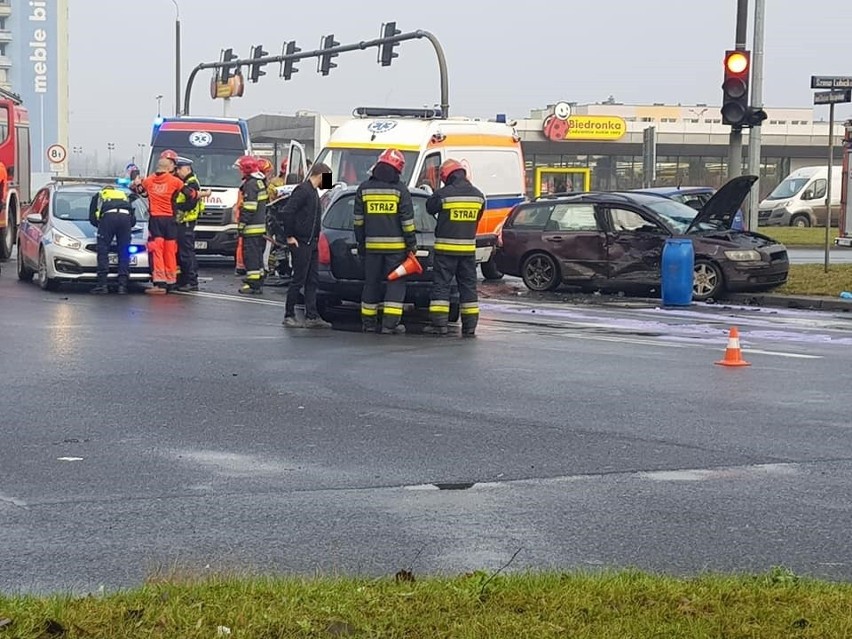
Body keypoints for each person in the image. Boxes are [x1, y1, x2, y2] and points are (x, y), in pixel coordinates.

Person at [354, 149, 417, 335]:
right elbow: (407, 222)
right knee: (395, 285)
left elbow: (358, 221)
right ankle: (390, 325)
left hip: (371, 248)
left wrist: (361, 244)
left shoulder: (364, 188)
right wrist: (411, 245)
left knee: (371, 284)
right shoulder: (400, 190)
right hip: (396, 250)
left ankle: (368, 323)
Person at [424, 159, 486, 337]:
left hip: (445, 251)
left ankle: (439, 325)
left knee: (441, 287)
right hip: (467, 252)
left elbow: (429, 208)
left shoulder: (443, 194)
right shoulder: (478, 195)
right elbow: (478, 217)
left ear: (446, 176)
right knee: (468, 288)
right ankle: (469, 327)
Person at [279, 162, 333, 328]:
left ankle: (312, 315)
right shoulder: (303, 190)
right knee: (299, 279)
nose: (328, 183)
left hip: (312, 242)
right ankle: (289, 314)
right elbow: (288, 211)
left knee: (312, 280)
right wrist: (289, 236)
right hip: (301, 241)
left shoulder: (313, 192)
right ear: (320, 175)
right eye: (327, 178)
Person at [138, 157, 186, 294]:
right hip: (170, 219)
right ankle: (171, 281)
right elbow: (190, 193)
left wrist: (136, 184)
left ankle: (160, 283)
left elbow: (140, 191)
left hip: (156, 219)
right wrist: (202, 194)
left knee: (157, 250)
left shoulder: (149, 180)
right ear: (169, 166)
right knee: (170, 250)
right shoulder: (175, 181)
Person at [88, 185, 137, 295]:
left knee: (103, 249)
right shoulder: (123, 196)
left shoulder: (99, 195)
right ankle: (122, 286)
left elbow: (92, 217)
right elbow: (133, 220)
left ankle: (102, 285)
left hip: (108, 218)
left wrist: (101, 227)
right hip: (125, 219)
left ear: (104, 191)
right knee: (124, 251)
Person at [235, 155, 269, 295]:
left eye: (241, 169)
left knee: (251, 256)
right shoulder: (259, 182)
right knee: (257, 255)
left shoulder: (251, 184)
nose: (239, 172)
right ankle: (258, 279)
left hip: (251, 228)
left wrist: (241, 224)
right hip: (260, 226)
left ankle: (253, 284)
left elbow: (249, 207)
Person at [174, 156, 205, 292]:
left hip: (186, 223)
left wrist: (175, 206)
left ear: (187, 169)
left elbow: (190, 204)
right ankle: (183, 280)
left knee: (187, 254)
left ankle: (191, 281)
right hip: (183, 223)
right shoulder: (187, 182)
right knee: (182, 253)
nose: (177, 172)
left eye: (179, 169)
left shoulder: (191, 184)